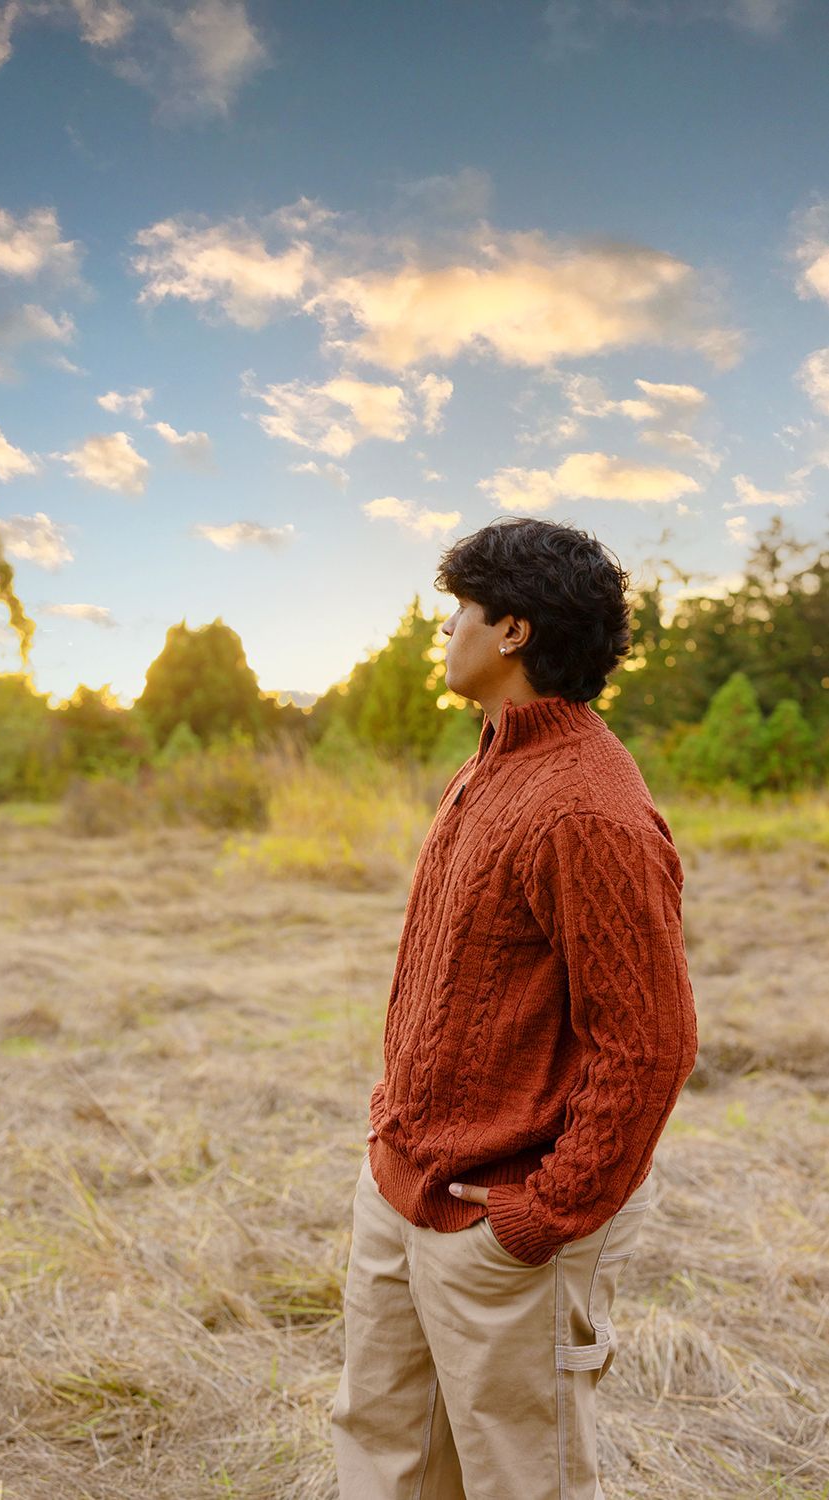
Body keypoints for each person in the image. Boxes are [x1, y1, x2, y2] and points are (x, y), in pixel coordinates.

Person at [330, 516, 698, 1500]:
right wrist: (390, 1147)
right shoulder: (492, 760)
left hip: (499, 1227)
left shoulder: (586, 810)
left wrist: (545, 1213)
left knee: (515, 1482)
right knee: (381, 1454)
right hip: (403, 1189)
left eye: (459, 610)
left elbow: (648, 1042)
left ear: (512, 633)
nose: (441, 629)